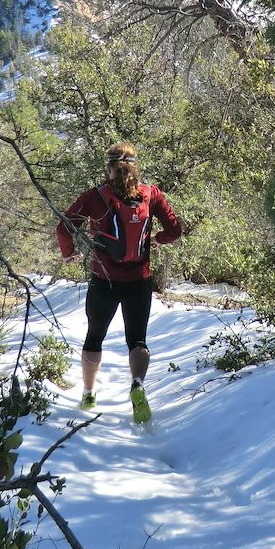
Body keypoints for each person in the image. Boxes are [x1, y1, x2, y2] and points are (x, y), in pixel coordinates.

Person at [56, 142, 182, 423]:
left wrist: (69, 253)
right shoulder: (152, 194)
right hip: (140, 281)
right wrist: (158, 239)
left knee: (94, 337)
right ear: (136, 167)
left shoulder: (94, 196)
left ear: (108, 167)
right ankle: (137, 384)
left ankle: (88, 395)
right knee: (137, 340)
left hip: (104, 281)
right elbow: (174, 229)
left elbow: (64, 226)